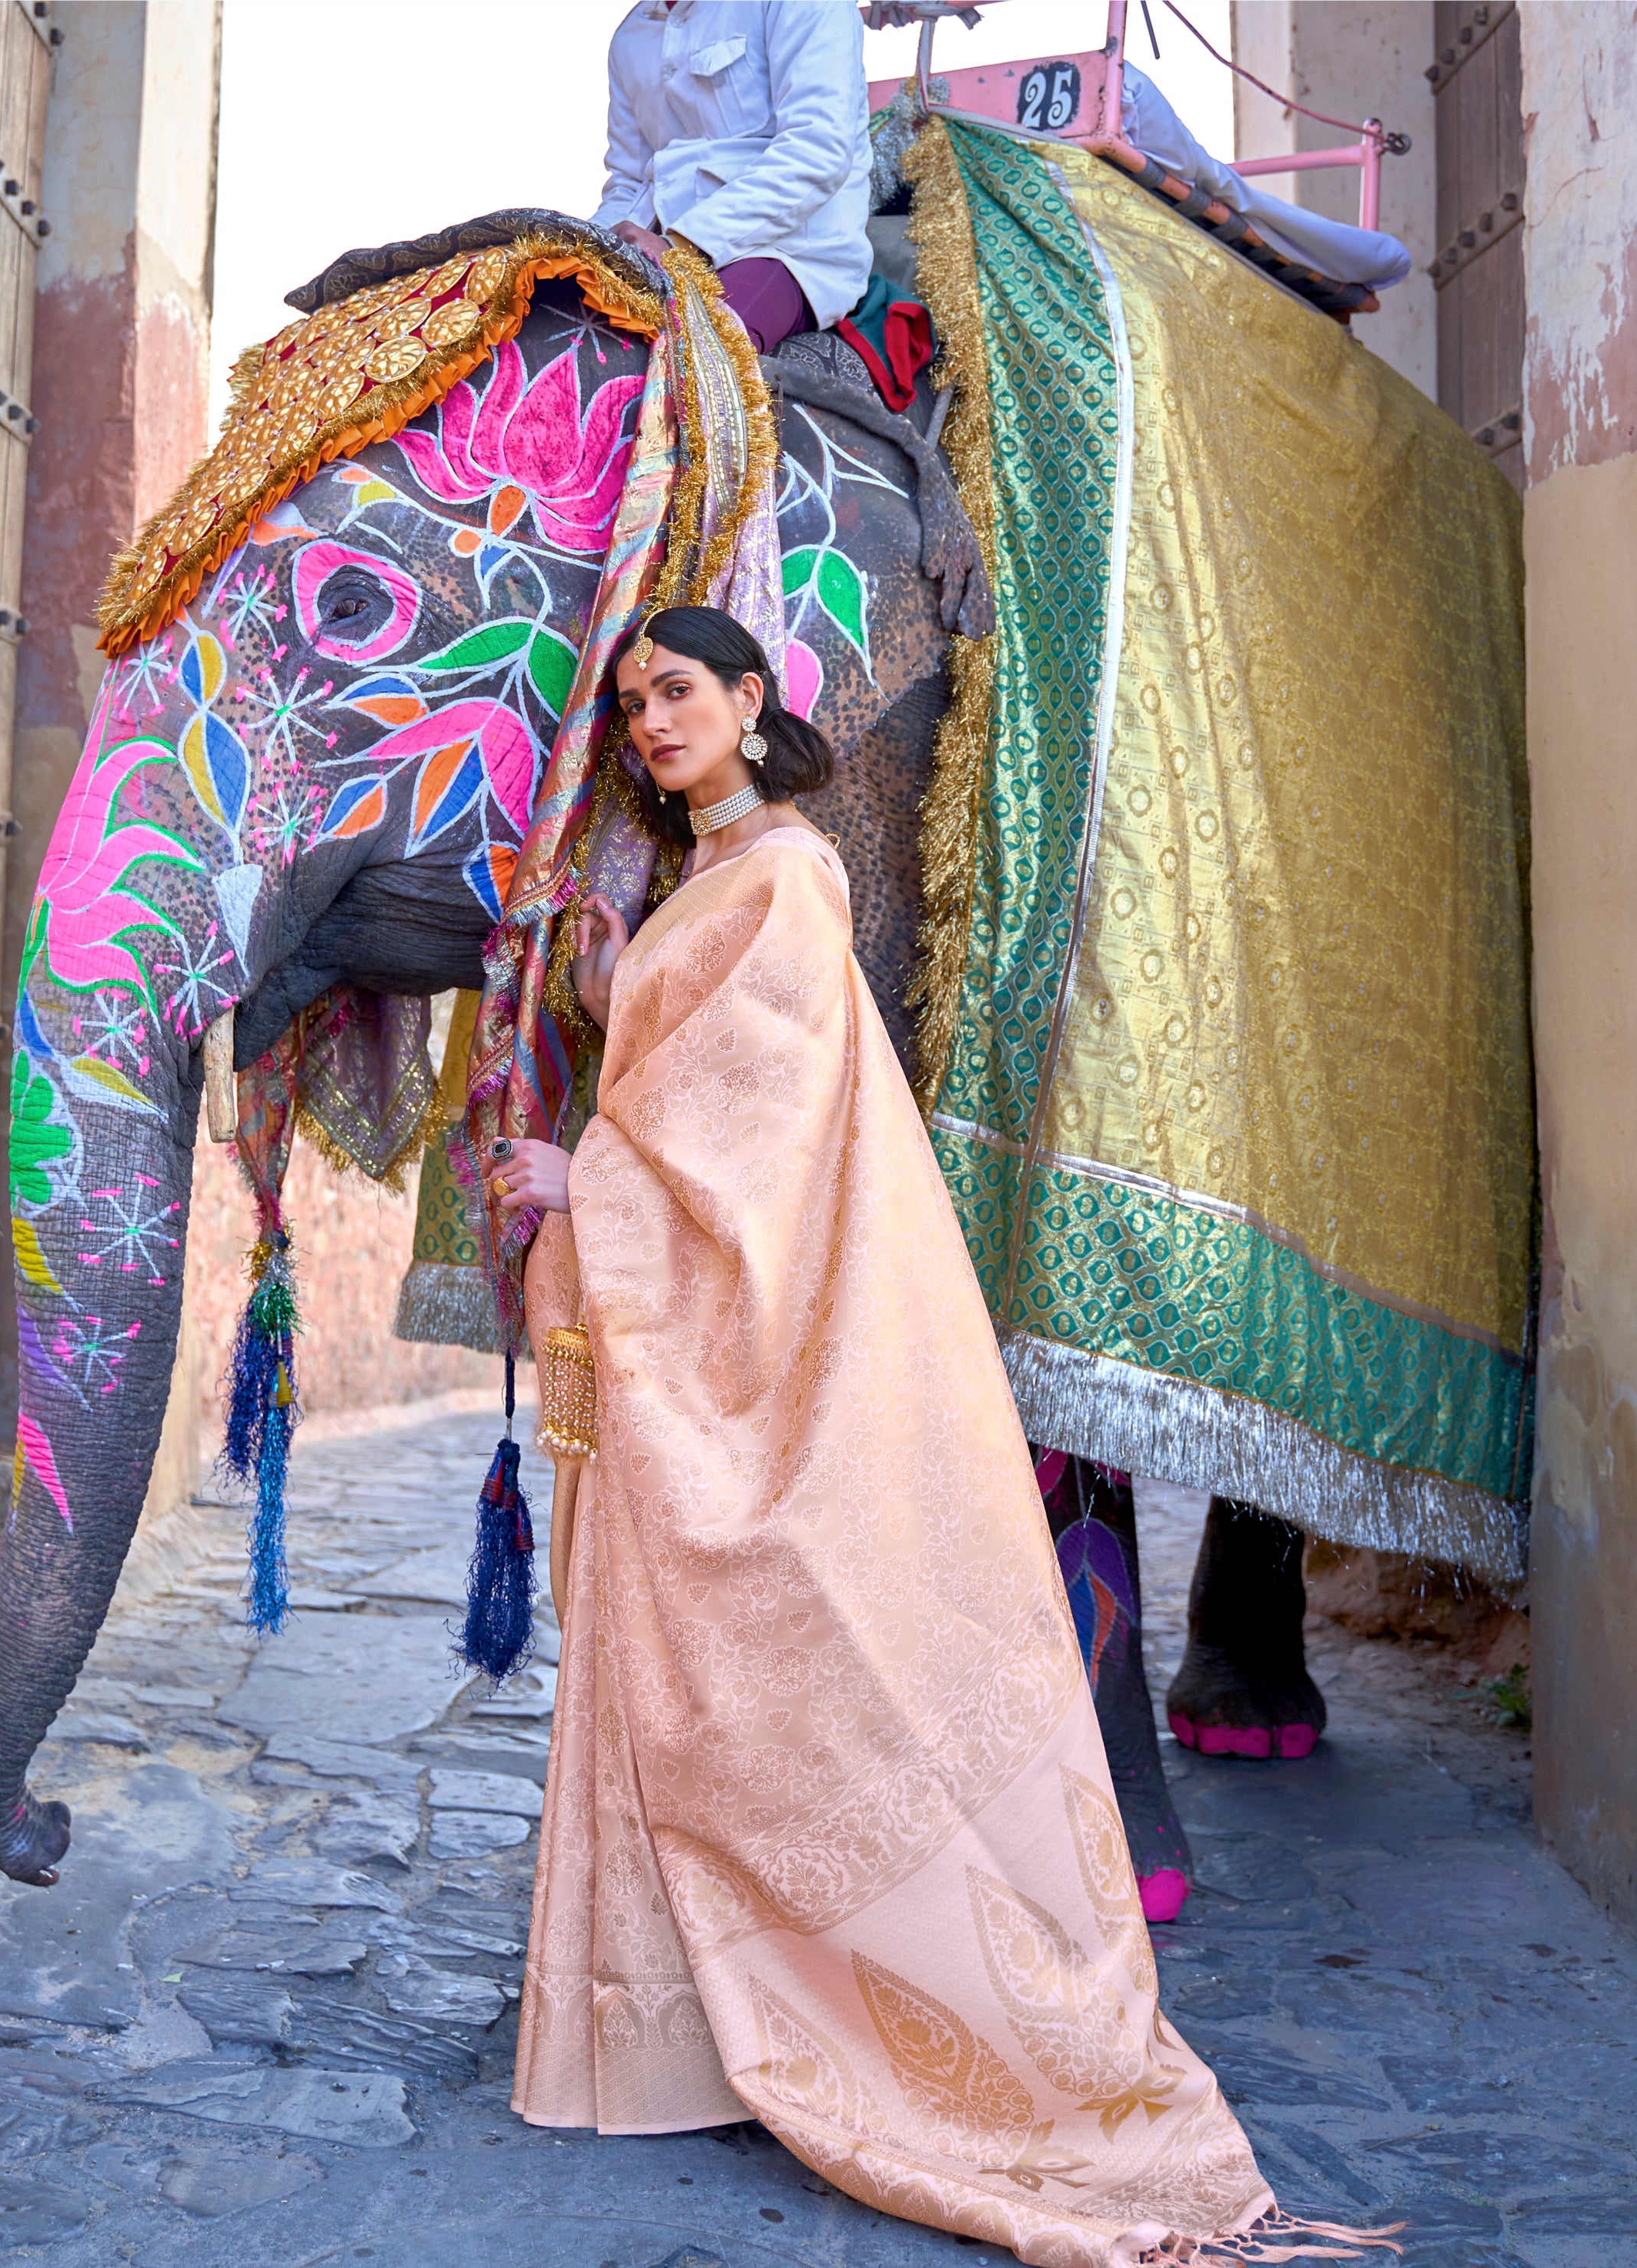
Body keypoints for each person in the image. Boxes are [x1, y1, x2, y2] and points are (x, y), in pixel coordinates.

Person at [485, 607, 1395, 2262]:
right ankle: (672, 2031)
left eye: (677, 692)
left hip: (745, 1332)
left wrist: (585, 1184)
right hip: (680, 1317)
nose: (652, 723)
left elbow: (753, 1146)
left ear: (753, 703)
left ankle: (879, 2028)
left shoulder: (783, 881)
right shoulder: (709, 887)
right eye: (630, 706)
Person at [592, 0, 874, 353]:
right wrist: (575, 246)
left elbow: (816, 150)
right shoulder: (632, 36)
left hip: (788, 251)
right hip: (664, 250)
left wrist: (681, 246)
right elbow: (630, 182)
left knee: (693, 357)